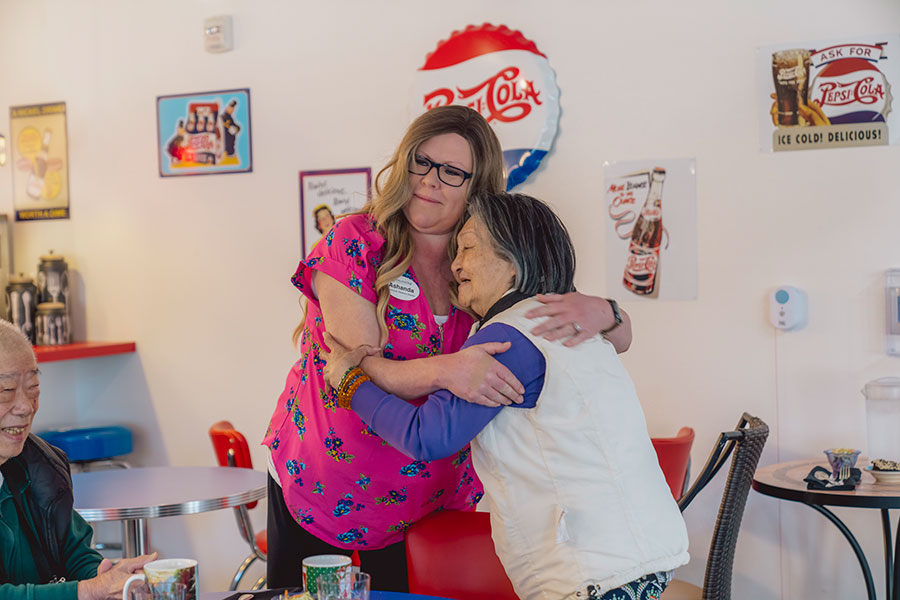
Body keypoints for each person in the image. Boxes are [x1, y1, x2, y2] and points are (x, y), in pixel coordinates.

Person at [262, 105, 633, 591]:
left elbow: (617, 338)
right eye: (422, 161)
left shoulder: (488, 260)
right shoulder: (356, 241)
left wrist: (605, 310)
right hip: (329, 488)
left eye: (452, 172)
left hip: (432, 501)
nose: (430, 180)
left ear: (477, 189)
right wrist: (449, 369)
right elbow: (359, 365)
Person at [323, 191, 689, 600]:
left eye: (468, 248)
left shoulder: (510, 335)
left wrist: (349, 383)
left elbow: (426, 436)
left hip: (590, 570)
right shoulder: (571, 323)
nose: (455, 265)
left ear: (514, 259)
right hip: (640, 556)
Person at [0, 320, 157, 600]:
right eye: (6, 391)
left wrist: (108, 577)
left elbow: (74, 553)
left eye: (33, 387)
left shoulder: (41, 468)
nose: (25, 406)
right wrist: (87, 591)